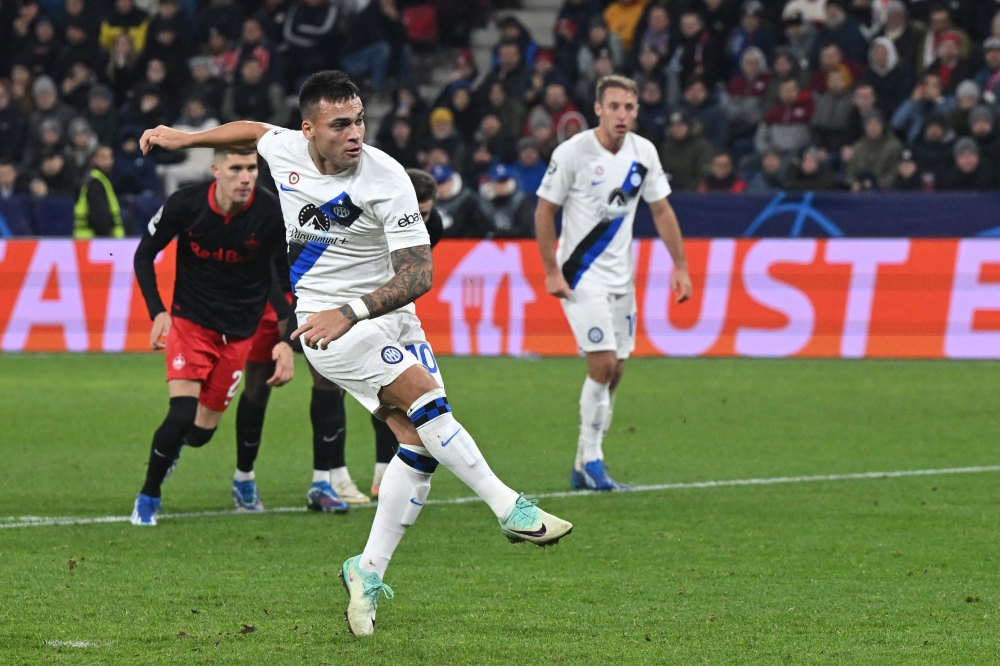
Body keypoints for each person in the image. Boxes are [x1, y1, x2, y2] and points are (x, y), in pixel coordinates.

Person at [139, 70, 573, 635]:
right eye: (340, 123)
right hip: (327, 326)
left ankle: (364, 573)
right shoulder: (285, 148)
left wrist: (357, 310)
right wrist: (187, 138)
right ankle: (509, 507)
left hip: (389, 319)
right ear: (308, 129)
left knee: (418, 449)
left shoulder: (386, 175)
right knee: (425, 403)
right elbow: (250, 132)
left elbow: (420, 272)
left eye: (360, 119)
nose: (355, 133)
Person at [534, 75, 692, 490]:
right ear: (599, 109)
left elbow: (662, 211)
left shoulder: (644, 153)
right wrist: (551, 269)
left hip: (622, 278)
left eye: (630, 108)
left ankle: (580, 463)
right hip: (580, 275)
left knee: (616, 370)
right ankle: (594, 461)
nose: (623, 114)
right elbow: (544, 211)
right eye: (615, 106)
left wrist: (680, 265)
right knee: (602, 363)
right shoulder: (573, 152)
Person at [129, 148, 294, 526]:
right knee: (181, 412)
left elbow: (291, 278)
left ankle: (171, 451)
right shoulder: (186, 204)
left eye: (251, 168)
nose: (245, 177)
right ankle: (147, 497)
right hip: (192, 321)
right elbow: (144, 255)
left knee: (201, 433)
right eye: (236, 168)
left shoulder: (271, 214)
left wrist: (287, 341)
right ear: (216, 170)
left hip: (240, 331)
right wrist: (158, 312)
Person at [73, 145, 124, 238]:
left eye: (110, 157)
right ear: (94, 160)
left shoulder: (101, 179)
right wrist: (106, 239)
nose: (108, 161)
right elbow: (99, 217)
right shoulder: (95, 183)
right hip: (93, 242)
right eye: (103, 157)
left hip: (89, 241)